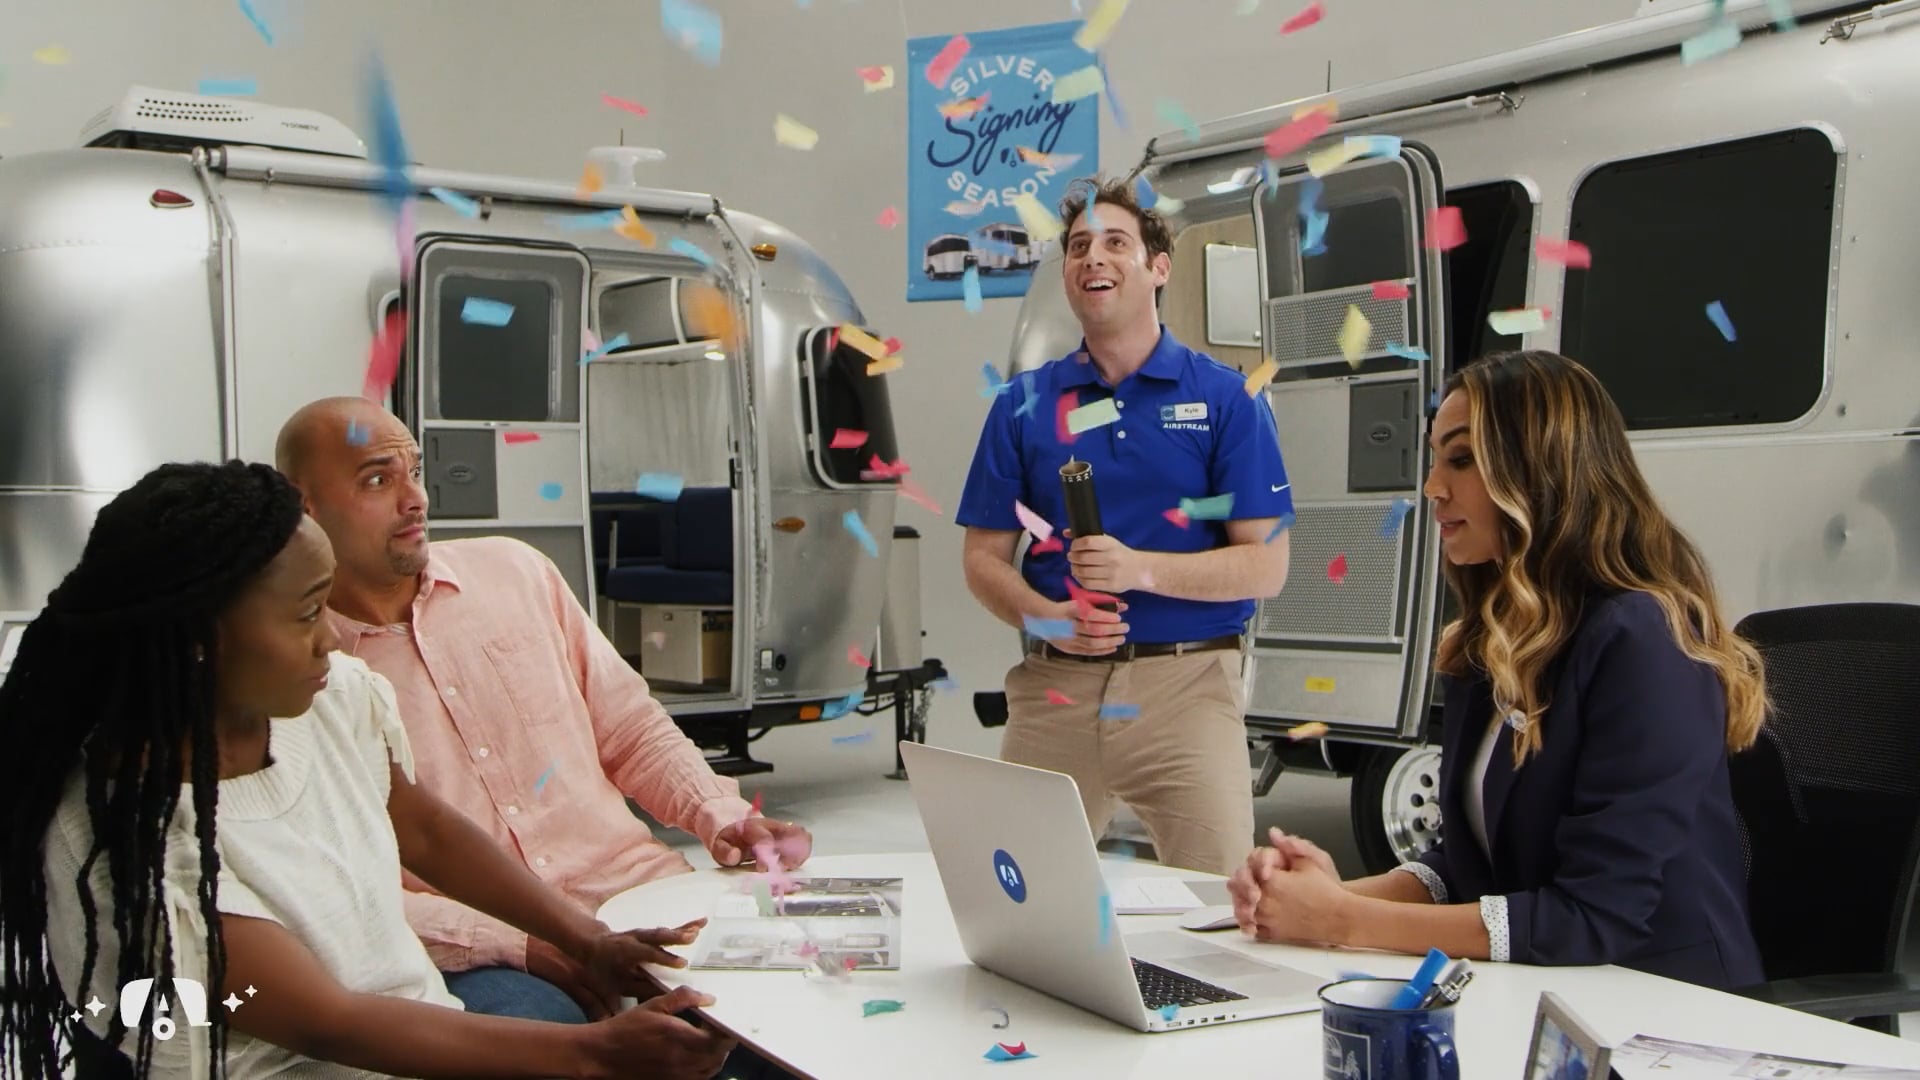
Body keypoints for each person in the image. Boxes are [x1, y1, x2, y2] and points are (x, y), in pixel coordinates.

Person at [0, 460, 735, 1080]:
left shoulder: (327, 700)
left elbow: (425, 828)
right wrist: (596, 1054)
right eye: (306, 614)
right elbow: (328, 1023)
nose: (331, 638)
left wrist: (585, 938)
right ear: (196, 638)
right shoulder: (136, 845)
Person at [1228, 351, 1767, 990]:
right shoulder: (1495, 635)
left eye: (1461, 459)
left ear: (1540, 470)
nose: (1432, 487)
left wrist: (1343, 919)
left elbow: (1595, 915)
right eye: (1434, 459)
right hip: (1543, 988)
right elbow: (1467, 866)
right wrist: (1322, 895)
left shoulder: (1644, 639)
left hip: (1663, 1005)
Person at [274, 399, 813, 1023]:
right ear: (304, 507)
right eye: (377, 480)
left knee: (797, 1002)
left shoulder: (516, 573)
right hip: (483, 949)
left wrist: (722, 816)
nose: (415, 499)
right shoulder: (303, 674)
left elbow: (631, 730)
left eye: (415, 471)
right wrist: (520, 943)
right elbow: (346, 888)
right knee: (541, 1038)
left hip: (634, 890)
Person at [955, 176, 1294, 877]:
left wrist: (1138, 568)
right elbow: (983, 559)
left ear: (1158, 267)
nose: (1093, 258)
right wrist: (1048, 619)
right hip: (1056, 690)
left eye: (1115, 242)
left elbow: (1266, 566)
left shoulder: (1227, 399)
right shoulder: (1022, 405)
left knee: (1220, 905)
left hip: (1188, 690)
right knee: (1018, 896)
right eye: (1079, 247)